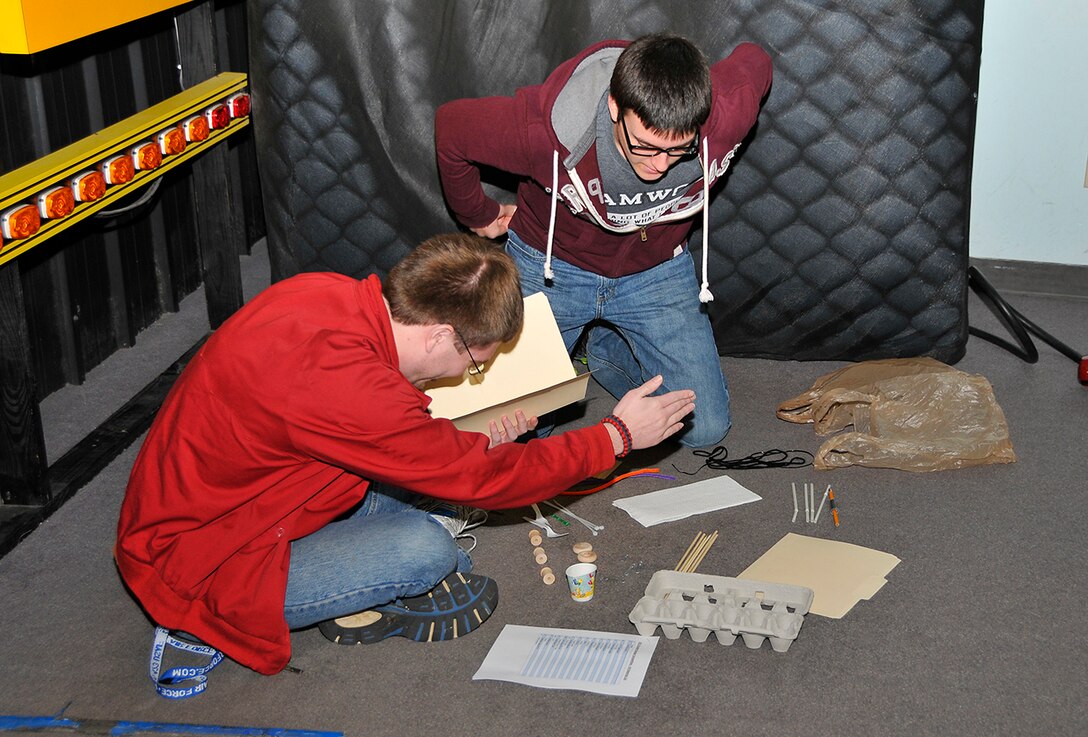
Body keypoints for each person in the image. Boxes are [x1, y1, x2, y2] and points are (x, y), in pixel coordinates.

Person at [114, 233, 695, 677]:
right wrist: (614, 437)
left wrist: (467, 448)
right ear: (440, 334)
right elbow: (480, 479)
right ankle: (308, 607)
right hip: (203, 560)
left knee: (428, 490)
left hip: (239, 499)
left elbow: (380, 430)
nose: (466, 375)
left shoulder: (322, 292)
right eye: (474, 363)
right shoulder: (354, 391)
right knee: (427, 549)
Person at [435, 33, 772, 448]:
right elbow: (451, 128)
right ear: (614, 106)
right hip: (553, 268)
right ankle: (569, 348)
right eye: (645, 146)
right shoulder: (544, 130)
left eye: (677, 150)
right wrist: (478, 214)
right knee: (507, 435)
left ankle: (604, 348)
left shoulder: (728, 111)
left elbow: (756, 59)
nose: (659, 165)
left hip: (655, 272)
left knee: (702, 428)